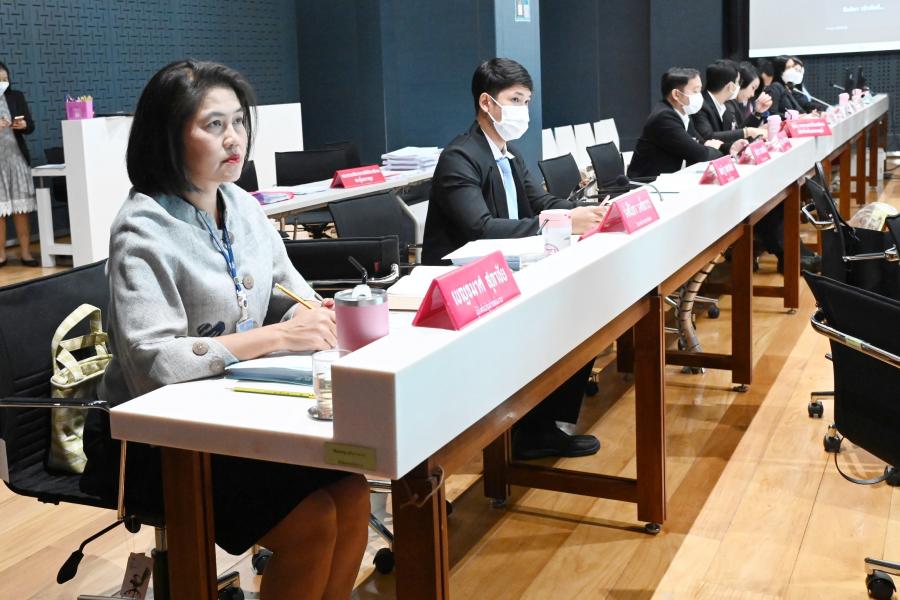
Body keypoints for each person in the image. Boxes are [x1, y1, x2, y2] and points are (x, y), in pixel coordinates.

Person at [84, 60, 369, 600]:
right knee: (310, 522)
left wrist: (306, 314)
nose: (234, 138)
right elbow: (154, 364)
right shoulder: (142, 229)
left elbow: (288, 291)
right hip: (155, 439)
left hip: (236, 410)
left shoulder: (240, 205)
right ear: (169, 135)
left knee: (352, 492)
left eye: (238, 121)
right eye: (214, 125)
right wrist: (278, 337)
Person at [423, 57, 603, 460]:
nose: (523, 109)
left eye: (527, 101)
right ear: (487, 103)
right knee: (562, 313)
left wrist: (584, 212)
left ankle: (539, 424)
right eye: (515, 100)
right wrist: (562, 222)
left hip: (508, 266)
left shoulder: (509, 154)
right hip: (464, 282)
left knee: (583, 309)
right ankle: (531, 428)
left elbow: (540, 201)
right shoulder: (460, 157)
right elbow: (480, 227)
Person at [627, 67, 732, 179]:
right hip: (648, 184)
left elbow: (701, 144)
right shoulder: (664, 118)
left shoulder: (683, 114)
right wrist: (717, 148)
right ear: (676, 94)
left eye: (700, 90)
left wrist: (730, 148)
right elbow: (701, 154)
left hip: (668, 180)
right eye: (695, 91)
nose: (699, 96)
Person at [0, 60, 38, 267]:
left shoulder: (16, 96)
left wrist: (22, 124)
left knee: (21, 210)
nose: (3, 83)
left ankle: (26, 253)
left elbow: (30, 126)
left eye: (5, 79)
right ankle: (1, 255)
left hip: (16, 159)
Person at [691, 60, 767, 152]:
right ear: (730, 86)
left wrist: (757, 115)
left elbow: (735, 132)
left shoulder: (729, 104)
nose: (739, 87)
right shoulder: (700, 106)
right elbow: (708, 137)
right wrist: (748, 132)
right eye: (738, 82)